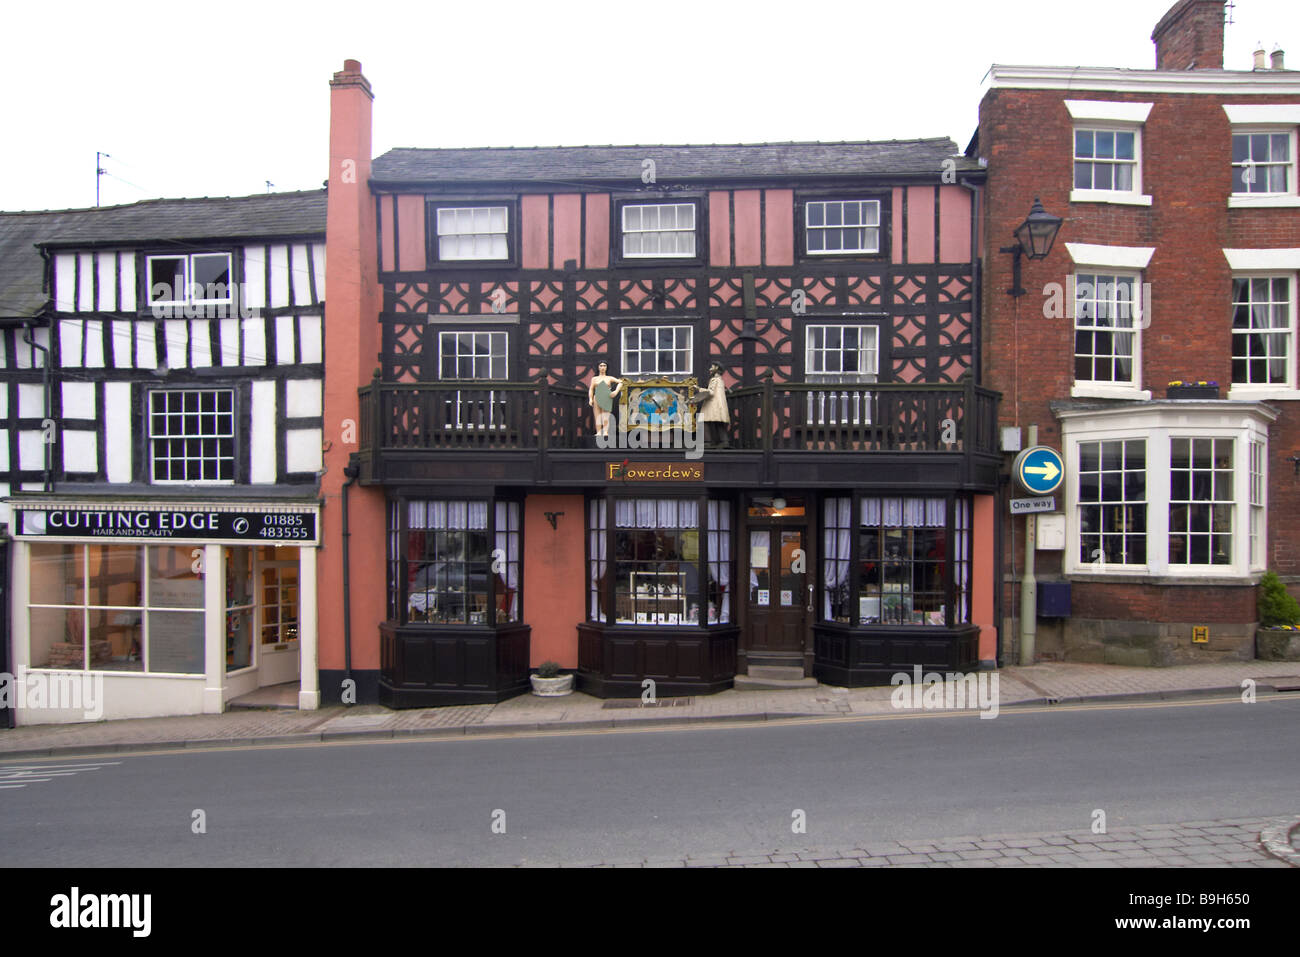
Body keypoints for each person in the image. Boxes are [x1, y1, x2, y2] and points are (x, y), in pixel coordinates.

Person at [692, 361, 730, 448]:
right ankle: (724, 441)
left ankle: (707, 442)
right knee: (718, 422)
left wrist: (698, 389)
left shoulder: (714, 380)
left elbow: (711, 392)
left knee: (704, 420)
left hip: (712, 404)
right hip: (719, 404)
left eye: (711, 367)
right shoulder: (720, 380)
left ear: (716, 368)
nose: (710, 369)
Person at [588, 361, 623, 437]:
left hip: (606, 397)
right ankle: (598, 431)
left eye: (604, 366)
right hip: (597, 397)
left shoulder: (609, 378)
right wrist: (590, 398)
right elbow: (591, 389)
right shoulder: (594, 379)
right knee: (597, 415)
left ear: (607, 367)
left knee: (605, 415)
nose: (602, 367)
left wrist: (616, 392)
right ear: (598, 367)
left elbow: (621, 382)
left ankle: (605, 431)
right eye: (601, 366)